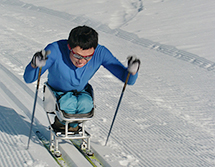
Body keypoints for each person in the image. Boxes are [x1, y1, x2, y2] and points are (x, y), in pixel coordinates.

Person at [23, 25, 140, 132]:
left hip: (80, 92)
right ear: (69, 47)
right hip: (55, 94)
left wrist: (133, 70)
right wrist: (35, 64)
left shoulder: (100, 53)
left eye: (88, 57)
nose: (81, 61)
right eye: (77, 55)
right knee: (68, 103)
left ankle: (73, 126)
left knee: (86, 103)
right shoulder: (55, 49)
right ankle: (61, 125)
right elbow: (29, 79)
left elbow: (128, 80)